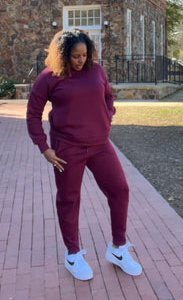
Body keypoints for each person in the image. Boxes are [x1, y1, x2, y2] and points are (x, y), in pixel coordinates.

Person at [26, 28, 142, 281]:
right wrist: (44, 148)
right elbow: (33, 115)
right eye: (75, 56)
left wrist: (106, 120)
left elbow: (108, 98)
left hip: (100, 145)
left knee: (120, 189)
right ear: (63, 54)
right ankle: (73, 255)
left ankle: (118, 249)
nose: (81, 60)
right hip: (67, 149)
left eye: (84, 55)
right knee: (69, 199)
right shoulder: (48, 77)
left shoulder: (96, 71)